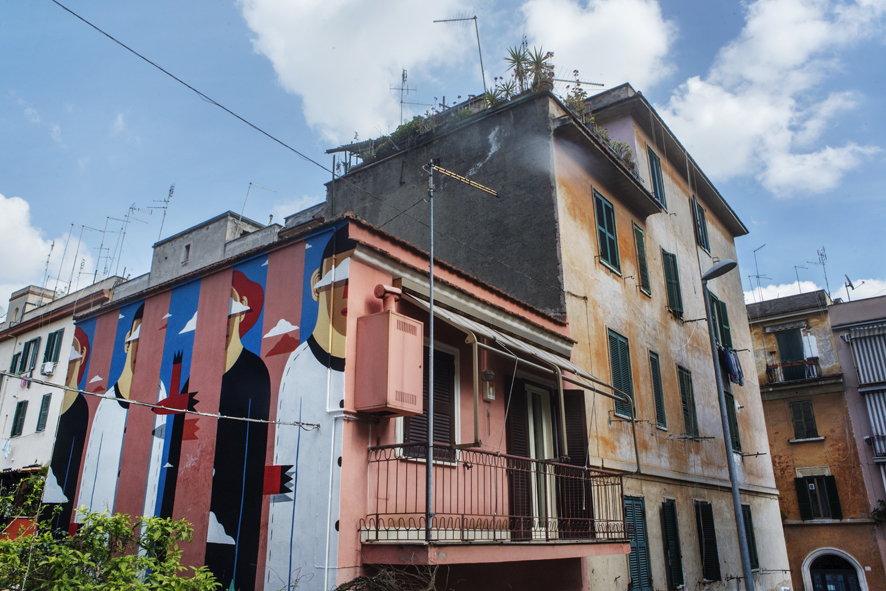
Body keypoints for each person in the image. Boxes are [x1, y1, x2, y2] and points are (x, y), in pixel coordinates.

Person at [264, 228, 355, 591]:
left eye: (357, 280)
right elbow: (279, 469)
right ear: (318, 282)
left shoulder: (371, 361)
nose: (349, 291)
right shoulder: (297, 367)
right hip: (297, 552)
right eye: (340, 278)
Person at [204, 271, 270, 591]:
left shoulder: (255, 372)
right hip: (202, 517)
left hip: (238, 516)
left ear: (243, 309)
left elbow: (257, 455)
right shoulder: (199, 377)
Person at [76, 304, 143, 521]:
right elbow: (89, 479)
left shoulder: (161, 401)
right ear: (127, 340)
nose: (141, 347)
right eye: (138, 336)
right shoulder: (105, 405)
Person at [43, 326, 90, 533]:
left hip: (63, 503)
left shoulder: (81, 407)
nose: (68, 367)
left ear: (82, 357)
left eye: (72, 358)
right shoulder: (54, 405)